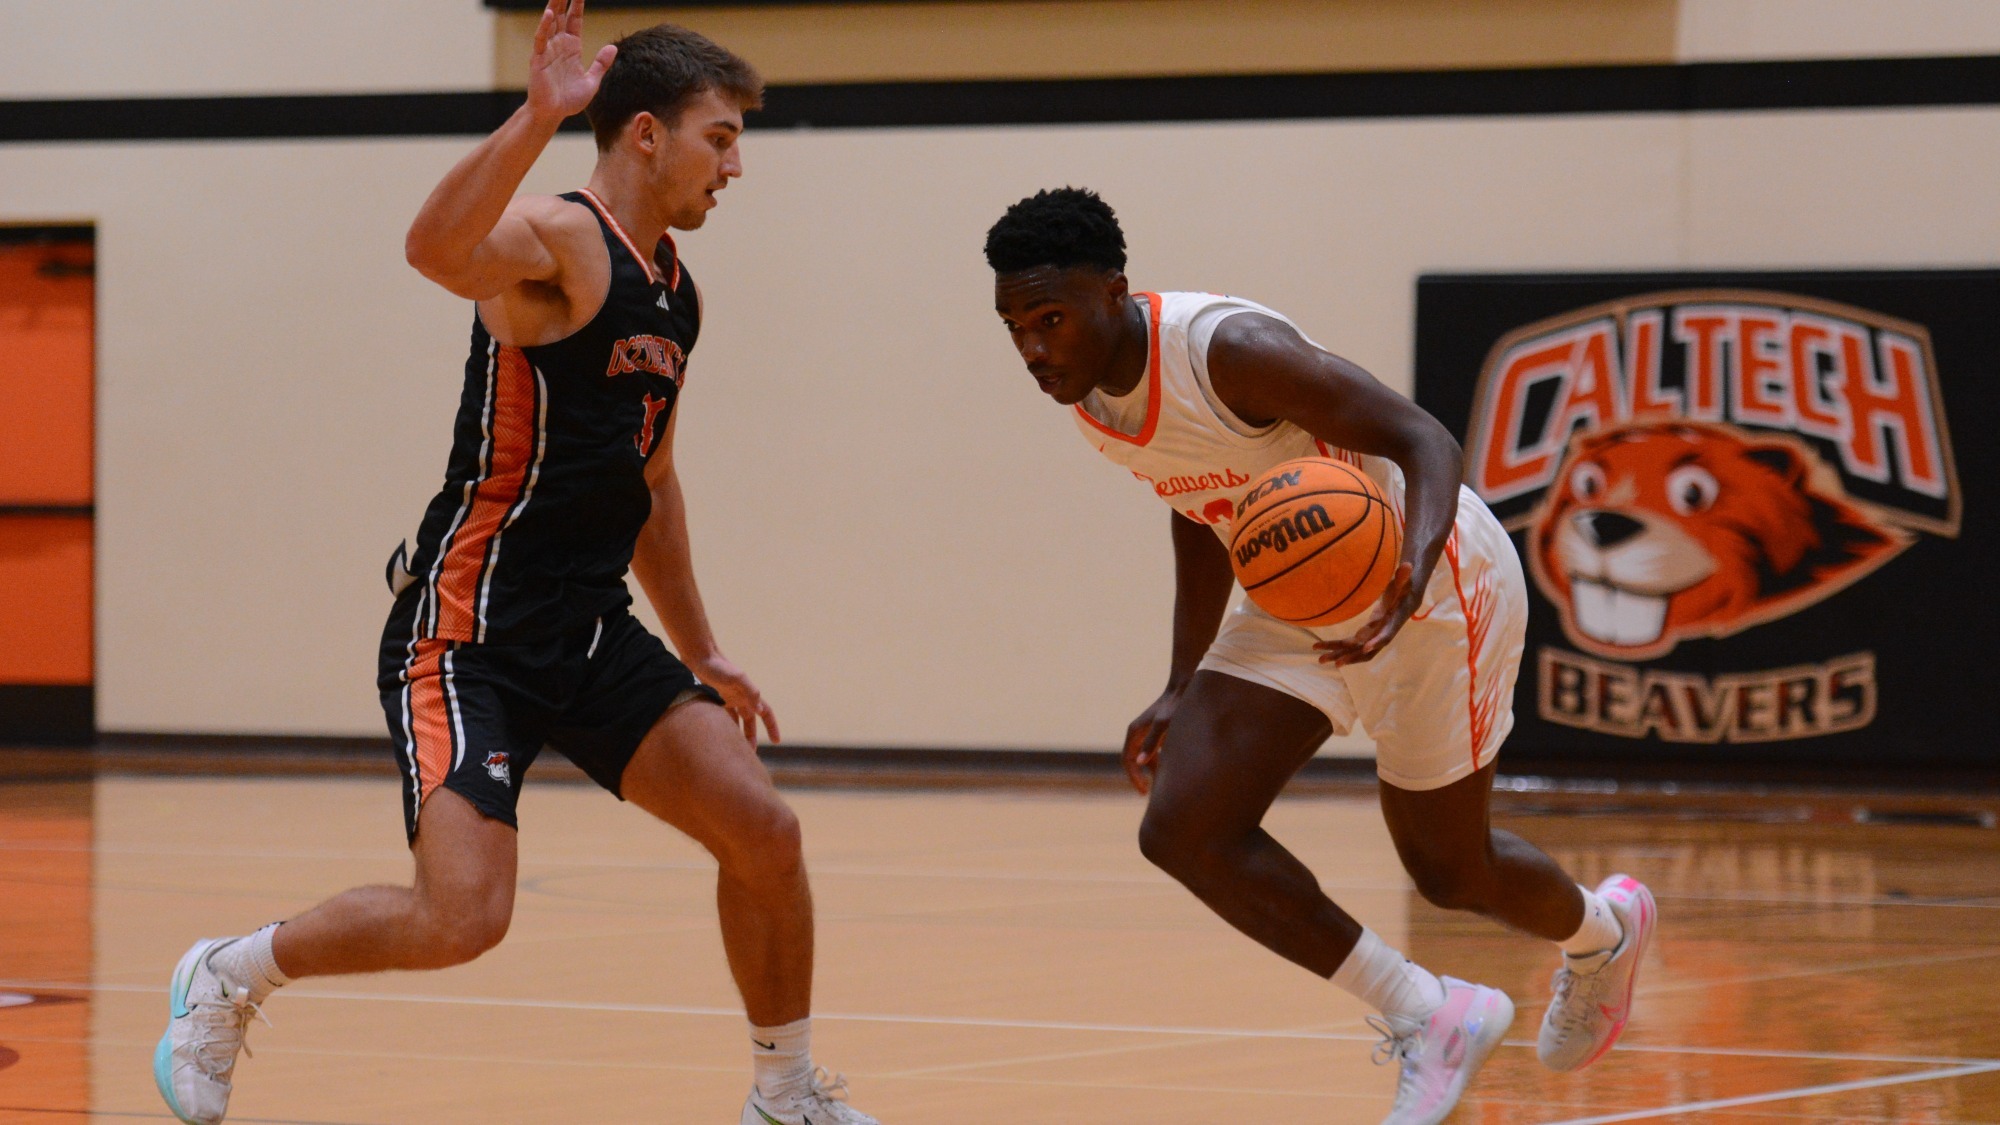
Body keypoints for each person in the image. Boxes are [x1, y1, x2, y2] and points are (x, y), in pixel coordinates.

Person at [154, 6, 879, 1124]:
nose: (734, 166)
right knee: (462, 919)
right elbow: (433, 250)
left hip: (586, 632)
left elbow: (652, 481)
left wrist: (703, 648)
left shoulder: (676, 292)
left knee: (764, 831)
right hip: (468, 631)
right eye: (720, 138)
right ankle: (228, 972)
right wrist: (539, 114)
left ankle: (784, 1099)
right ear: (646, 134)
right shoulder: (555, 236)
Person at [985, 187, 1656, 1125]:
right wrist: (1180, 681)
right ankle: (1429, 1010)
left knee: (1451, 872)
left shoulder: (1227, 350)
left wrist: (1411, 575)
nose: (1033, 348)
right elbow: (1198, 506)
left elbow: (1424, 438)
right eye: (1015, 328)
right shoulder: (1096, 400)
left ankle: (1602, 932)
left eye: (1050, 319)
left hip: (1434, 577)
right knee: (1183, 825)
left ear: (1114, 292)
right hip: (1301, 588)